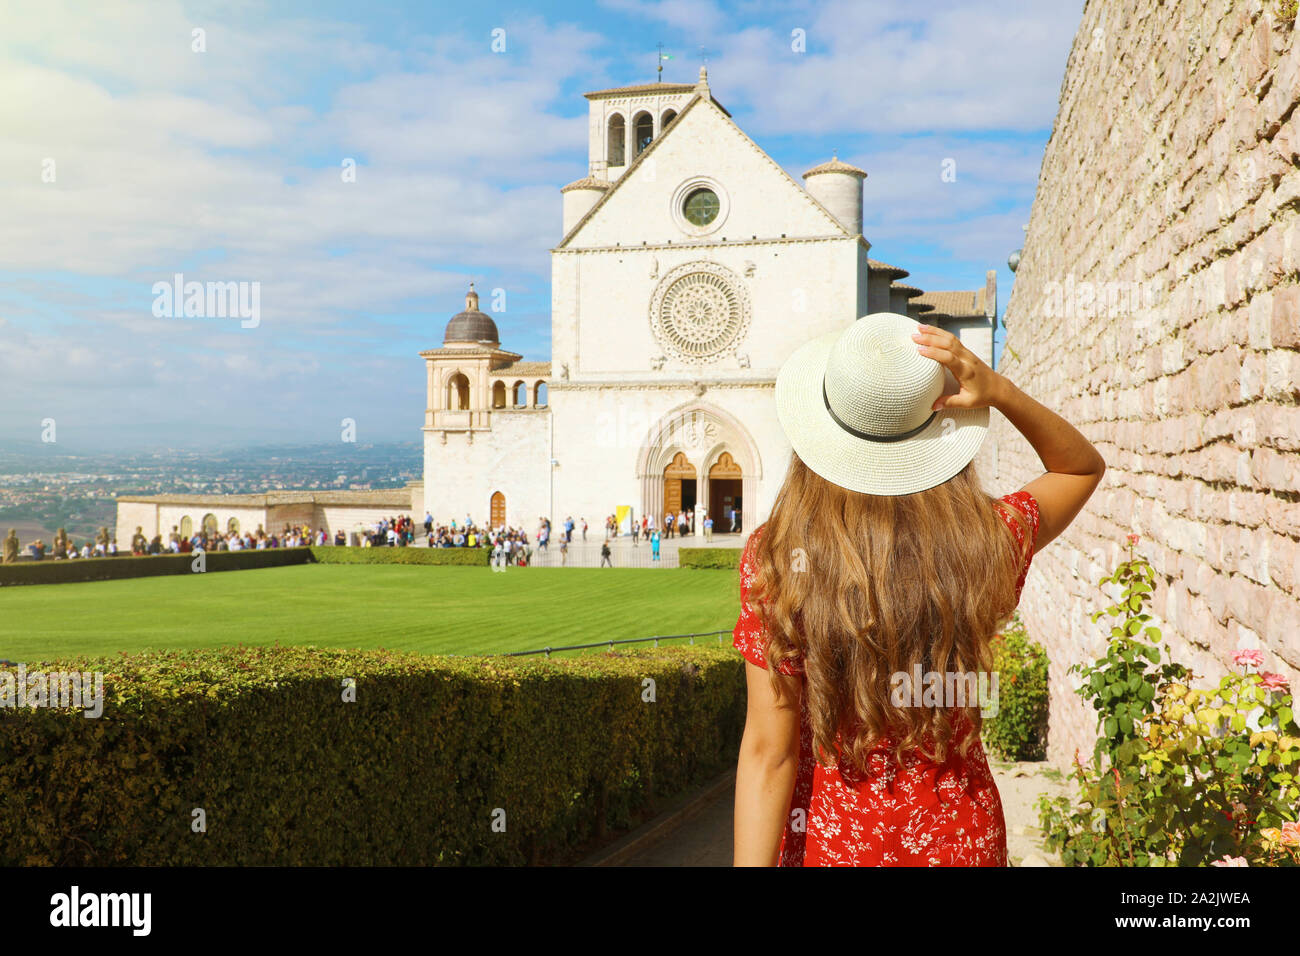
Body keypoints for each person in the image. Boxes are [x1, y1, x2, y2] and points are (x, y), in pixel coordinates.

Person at [732, 317, 1105, 867]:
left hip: (833, 843)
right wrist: (999, 391)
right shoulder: (987, 539)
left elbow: (770, 752)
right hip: (958, 836)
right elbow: (1079, 466)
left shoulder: (777, 558)